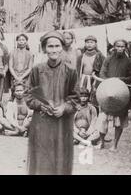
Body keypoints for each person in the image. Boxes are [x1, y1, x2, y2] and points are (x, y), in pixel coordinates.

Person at [25, 30, 79, 175]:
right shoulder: (37, 70)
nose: (54, 50)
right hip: (42, 122)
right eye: (50, 46)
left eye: (57, 46)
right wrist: (41, 105)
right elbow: (29, 96)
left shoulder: (70, 71)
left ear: (62, 47)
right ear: (44, 49)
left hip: (62, 123)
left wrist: (64, 107)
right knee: (42, 158)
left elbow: (75, 98)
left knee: (60, 158)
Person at [95, 39, 131, 150]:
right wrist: (109, 80)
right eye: (118, 46)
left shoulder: (129, 62)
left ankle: (115, 145)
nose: (120, 49)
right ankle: (102, 142)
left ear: (125, 47)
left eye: (122, 47)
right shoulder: (108, 59)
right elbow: (102, 73)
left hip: (121, 94)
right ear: (114, 47)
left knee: (119, 122)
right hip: (107, 93)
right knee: (103, 119)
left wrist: (119, 80)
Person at [76, 35, 105, 109]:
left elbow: (103, 69)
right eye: (87, 42)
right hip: (84, 80)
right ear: (85, 44)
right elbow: (78, 70)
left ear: (95, 44)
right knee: (83, 97)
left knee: (94, 98)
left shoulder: (100, 56)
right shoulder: (81, 56)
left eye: (91, 42)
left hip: (95, 80)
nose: (89, 44)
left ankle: (94, 112)